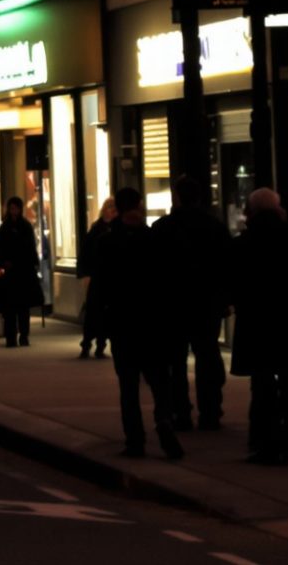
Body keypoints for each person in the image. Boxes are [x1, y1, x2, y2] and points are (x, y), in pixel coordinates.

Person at [230, 188, 288, 465]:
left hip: (257, 324)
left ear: (251, 211)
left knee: (262, 384)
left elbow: (232, 283)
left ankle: (264, 440)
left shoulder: (244, 243)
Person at [93, 189, 183, 459]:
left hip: (123, 322)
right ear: (140, 207)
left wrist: (101, 323)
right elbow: (169, 281)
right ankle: (164, 420)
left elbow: (100, 286)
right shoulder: (154, 238)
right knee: (159, 381)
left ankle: (135, 439)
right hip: (153, 322)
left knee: (128, 386)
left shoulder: (107, 242)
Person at [153, 176, 233, 428]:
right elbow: (225, 266)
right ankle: (210, 410)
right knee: (207, 355)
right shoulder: (214, 227)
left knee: (175, 361)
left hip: (173, 303)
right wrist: (225, 299)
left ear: (176, 197)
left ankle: (181, 411)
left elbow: (154, 270)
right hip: (205, 303)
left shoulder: (163, 227)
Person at [0, 195, 40, 347]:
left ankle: (24, 335)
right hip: (10, 272)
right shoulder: (5, 227)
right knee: (10, 307)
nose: (13, 211)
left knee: (23, 307)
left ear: (20, 209)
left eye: (16, 208)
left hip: (23, 271)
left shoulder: (25, 226)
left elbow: (30, 247)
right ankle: (11, 336)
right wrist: (2, 264)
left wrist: (33, 264)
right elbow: (0, 247)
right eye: (11, 208)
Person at [79, 195, 121, 360]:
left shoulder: (116, 230)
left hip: (109, 278)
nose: (112, 211)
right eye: (110, 208)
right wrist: (86, 274)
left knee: (103, 314)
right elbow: (87, 254)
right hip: (98, 278)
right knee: (93, 312)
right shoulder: (97, 229)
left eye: (115, 208)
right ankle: (87, 343)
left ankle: (100, 344)